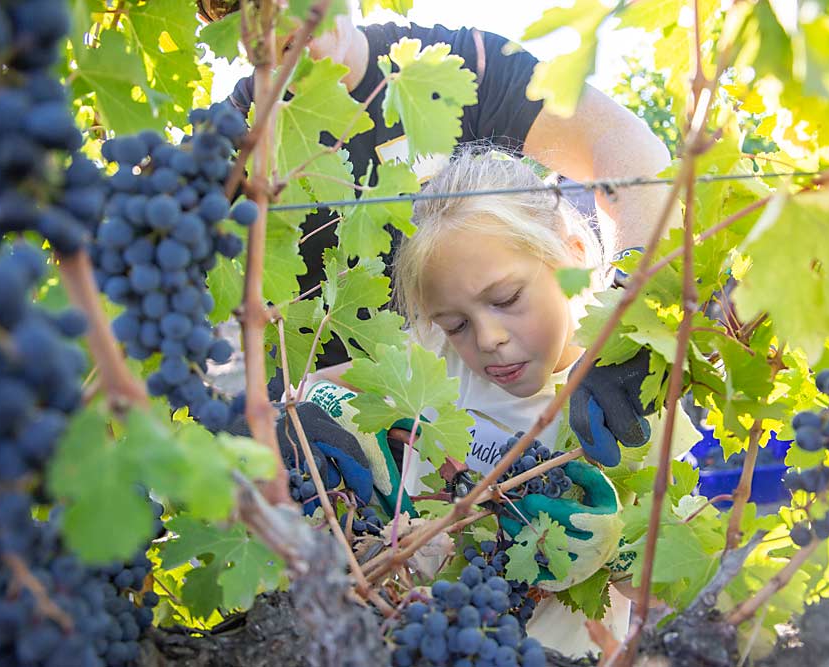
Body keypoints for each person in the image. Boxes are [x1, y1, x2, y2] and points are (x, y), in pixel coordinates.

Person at [293, 147, 699, 657]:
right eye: (456, 323)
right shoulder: (436, 356)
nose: (486, 339)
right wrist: (323, 413)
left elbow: (675, 589)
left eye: (506, 300)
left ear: (572, 253)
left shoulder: (632, 402)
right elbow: (312, 387)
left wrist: (612, 554)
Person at [198, 4, 678, 367]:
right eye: (243, 13)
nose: (276, 21)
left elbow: (624, 145)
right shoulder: (232, 139)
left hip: (491, 407)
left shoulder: (452, 65)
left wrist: (631, 303)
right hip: (327, 442)